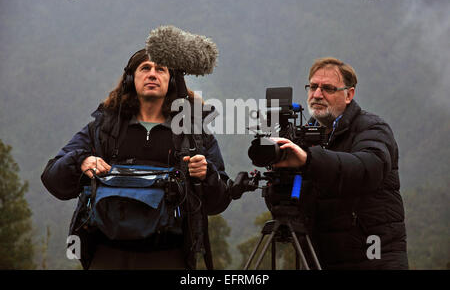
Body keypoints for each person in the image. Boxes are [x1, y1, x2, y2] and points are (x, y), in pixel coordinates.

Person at [41, 49, 231, 269]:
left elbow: (220, 201)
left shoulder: (193, 135)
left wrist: (207, 174)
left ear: (172, 81)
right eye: (145, 68)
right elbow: (51, 177)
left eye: (160, 69)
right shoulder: (103, 130)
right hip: (107, 255)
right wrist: (81, 160)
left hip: (170, 255)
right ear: (131, 78)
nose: (152, 74)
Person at [272, 57, 408, 269]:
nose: (317, 94)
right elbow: (294, 202)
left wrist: (309, 159)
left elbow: (367, 168)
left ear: (349, 94)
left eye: (327, 88)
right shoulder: (300, 138)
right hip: (320, 258)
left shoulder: (372, 128)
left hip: (372, 258)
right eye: (313, 87)